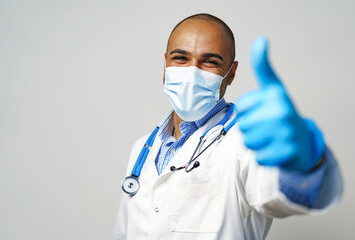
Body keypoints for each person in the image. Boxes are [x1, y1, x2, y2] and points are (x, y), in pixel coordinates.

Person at [112, 13, 343, 240]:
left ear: (231, 73)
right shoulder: (141, 149)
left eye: (210, 61)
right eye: (181, 58)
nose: (192, 71)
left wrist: (306, 165)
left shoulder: (248, 142)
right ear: (165, 64)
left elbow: (281, 194)